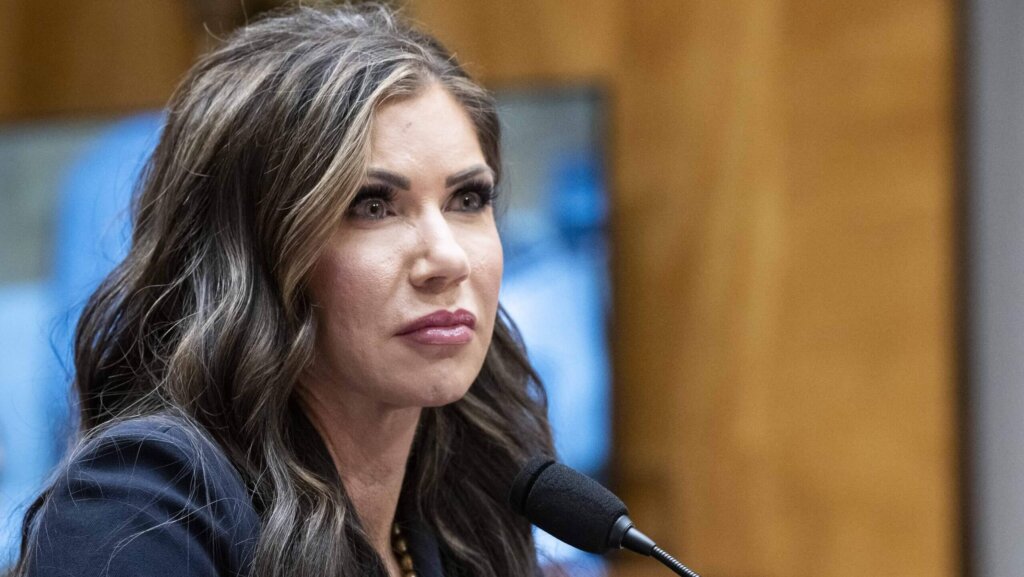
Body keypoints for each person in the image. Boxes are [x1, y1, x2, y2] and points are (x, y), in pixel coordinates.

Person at [11, 4, 555, 577]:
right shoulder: (140, 510)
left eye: (467, 200)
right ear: (250, 252)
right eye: (370, 206)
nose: (447, 258)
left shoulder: (470, 509)